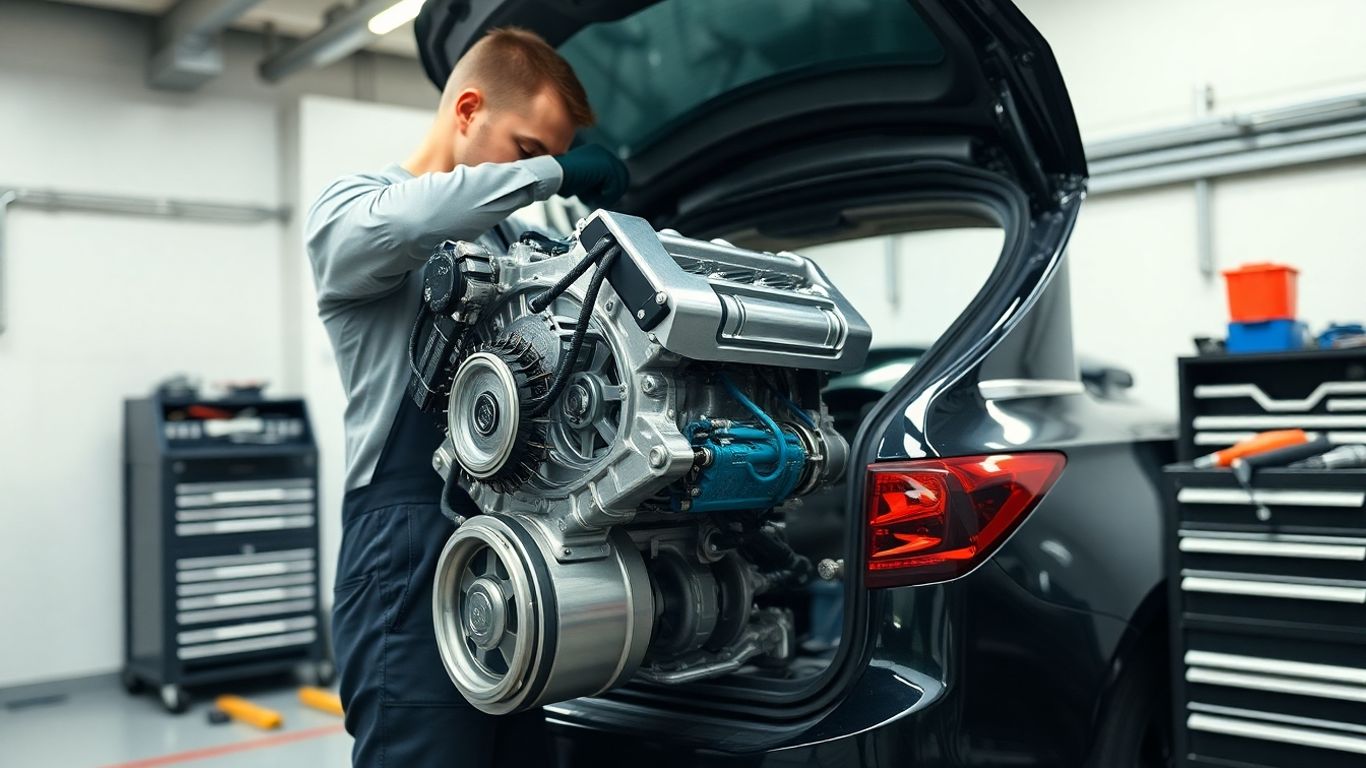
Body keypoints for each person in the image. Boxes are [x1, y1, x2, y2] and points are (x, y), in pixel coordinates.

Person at [304, 26, 629, 767]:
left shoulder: (519, 246)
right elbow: (420, 216)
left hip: (517, 553)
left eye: (552, 159)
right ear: (468, 109)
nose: (544, 173)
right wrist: (557, 175)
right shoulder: (353, 210)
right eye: (528, 150)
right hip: (407, 550)